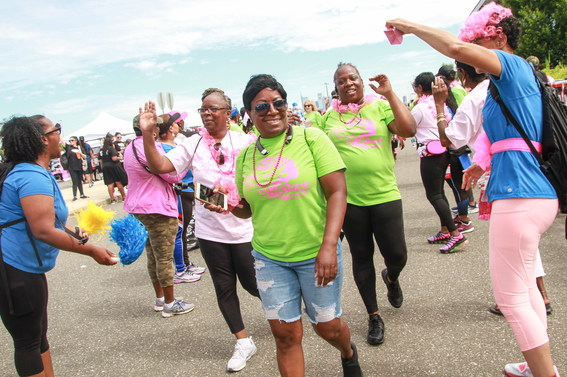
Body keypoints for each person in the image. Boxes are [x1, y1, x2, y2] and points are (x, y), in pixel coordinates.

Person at [387, 2, 560, 377]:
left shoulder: (511, 67)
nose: (471, 47)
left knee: (511, 299)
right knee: (526, 288)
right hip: (531, 193)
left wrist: (409, 26)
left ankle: (546, 373)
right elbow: (509, 138)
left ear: (497, 35)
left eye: (476, 39)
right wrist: (481, 164)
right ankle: (537, 367)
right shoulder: (508, 82)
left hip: (520, 195)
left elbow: (453, 49)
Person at [211, 73, 362, 377]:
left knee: (328, 328)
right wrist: (228, 205)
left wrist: (329, 246)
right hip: (270, 259)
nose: (272, 111)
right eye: (261, 107)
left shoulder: (312, 139)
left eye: (278, 102)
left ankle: (348, 352)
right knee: (286, 337)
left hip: (317, 252)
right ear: (249, 116)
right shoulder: (245, 158)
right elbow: (248, 211)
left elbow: (337, 192)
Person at [0, 115, 117, 377]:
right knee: (28, 340)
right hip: (7, 264)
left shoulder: (34, 172)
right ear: (42, 139)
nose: (61, 137)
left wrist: (76, 233)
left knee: (38, 334)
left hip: (18, 263)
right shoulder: (31, 176)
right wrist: (91, 250)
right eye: (57, 130)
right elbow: (42, 229)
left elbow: (44, 220)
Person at [137, 88, 261, 373]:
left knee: (254, 285)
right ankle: (242, 342)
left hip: (244, 229)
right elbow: (161, 166)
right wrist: (147, 134)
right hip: (209, 233)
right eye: (203, 109)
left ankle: (283, 317)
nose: (206, 113)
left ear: (227, 112)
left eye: (212, 108)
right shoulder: (193, 143)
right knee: (224, 288)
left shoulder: (245, 141)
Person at [435, 61, 553, 317]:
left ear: (464, 73)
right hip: (530, 171)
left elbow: (449, 138)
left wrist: (439, 105)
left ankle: (519, 299)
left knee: (512, 244)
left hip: (506, 177)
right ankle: (538, 294)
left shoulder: (476, 97)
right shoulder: (504, 86)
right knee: (525, 238)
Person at [320, 63, 416, 346]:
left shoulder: (380, 106)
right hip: (349, 201)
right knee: (361, 258)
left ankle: (392, 277)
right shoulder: (327, 119)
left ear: (362, 82)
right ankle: (374, 315)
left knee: (397, 255)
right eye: (341, 81)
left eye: (353, 78)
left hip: (385, 194)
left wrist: (390, 93)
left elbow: (408, 129)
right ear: (335, 89)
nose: (348, 83)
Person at [124, 115, 195, 318]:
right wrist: (186, 167)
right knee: (164, 256)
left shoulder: (129, 147)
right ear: (151, 128)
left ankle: (160, 299)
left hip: (138, 207)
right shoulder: (151, 147)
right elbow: (170, 175)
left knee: (152, 255)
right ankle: (170, 304)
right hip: (157, 207)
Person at [410, 72, 470, 253]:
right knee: (440, 193)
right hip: (446, 151)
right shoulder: (441, 104)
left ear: (420, 89)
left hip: (431, 155)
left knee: (434, 195)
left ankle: (455, 235)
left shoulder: (419, 108)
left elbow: (408, 128)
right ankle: (445, 230)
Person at [155, 112, 204, 282]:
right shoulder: (161, 148)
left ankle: (186, 262)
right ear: (169, 129)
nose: (179, 124)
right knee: (179, 230)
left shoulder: (175, 144)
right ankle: (180, 268)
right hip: (180, 191)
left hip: (190, 189)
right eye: (175, 123)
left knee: (183, 231)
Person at [99, 133, 127, 203]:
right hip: (113, 166)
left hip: (105, 167)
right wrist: (121, 158)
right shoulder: (111, 149)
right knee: (118, 181)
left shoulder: (101, 150)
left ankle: (112, 199)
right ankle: (124, 197)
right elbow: (114, 158)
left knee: (110, 183)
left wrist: (102, 168)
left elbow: (100, 161)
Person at [65, 136, 89, 201]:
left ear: (75, 140)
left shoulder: (79, 148)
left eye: (72, 140)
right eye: (70, 141)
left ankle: (82, 194)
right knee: (74, 181)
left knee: (80, 181)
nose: (71, 142)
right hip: (72, 167)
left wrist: (80, 153)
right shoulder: (69, 148)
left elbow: (85, 156)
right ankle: (75, 196)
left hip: (79, 166)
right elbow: (63, 143)